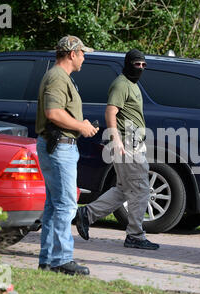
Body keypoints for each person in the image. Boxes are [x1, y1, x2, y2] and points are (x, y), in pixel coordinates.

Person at [76, 49, 159, 250]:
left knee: (123, 189)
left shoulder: (132, 84)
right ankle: (135, 235)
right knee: (140, 189)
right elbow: (110, 112)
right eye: (136, 64)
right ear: (127, 63)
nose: (140, 68)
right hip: (127, 143)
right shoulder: (121, 84)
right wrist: (116, 139)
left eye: (143, 65)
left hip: (133, 143)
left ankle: (86, 214)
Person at [35, 35, 99, 276]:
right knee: (66, 205)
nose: (84, 58)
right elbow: (53, 112)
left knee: (54, 204)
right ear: (72, 54)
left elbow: (60, 112)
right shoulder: (57, 78)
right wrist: (81, 127)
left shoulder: (60, 77)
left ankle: (48, 260)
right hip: (60, 147)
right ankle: (61, 260)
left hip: (59, 145)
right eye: (82, 53)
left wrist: (79, 123)